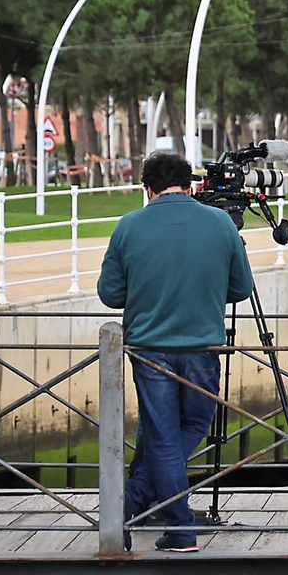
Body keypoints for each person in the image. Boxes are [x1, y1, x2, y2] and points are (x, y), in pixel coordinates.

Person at [97, 152, 254, 552]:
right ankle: (175, 524)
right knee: (194, 424)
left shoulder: (129, 226)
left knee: (163, 435)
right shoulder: (220, 223)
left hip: (149, 348)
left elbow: (110, 294)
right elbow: (241, 288)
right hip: (203, 345)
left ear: (147, 188)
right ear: (190, 185)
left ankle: (133, 503)